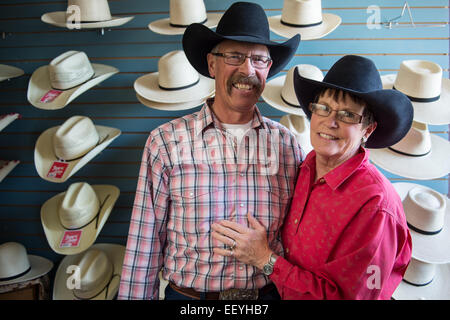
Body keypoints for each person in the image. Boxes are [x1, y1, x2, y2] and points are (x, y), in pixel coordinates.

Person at [118, 2, 302, 300]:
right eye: (234, 56)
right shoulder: (165, 143)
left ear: (268, 68)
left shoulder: (287, 146)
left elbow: (299, 242)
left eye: (258, 59)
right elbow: (144, 244)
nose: (247, 69)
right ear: (212, 64)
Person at [212, 55, 414, 300]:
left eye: (348, 115)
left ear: (367, 130)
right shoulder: (305, 166)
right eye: (323, 108)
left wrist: (265, 259)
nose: (330, 122)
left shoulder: (377, 207)